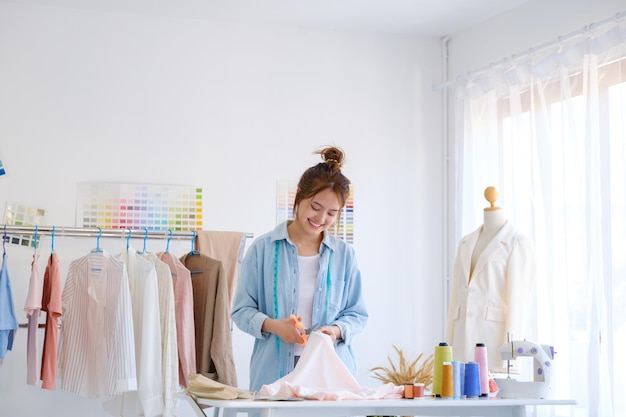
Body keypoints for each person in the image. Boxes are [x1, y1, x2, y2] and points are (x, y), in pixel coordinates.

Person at [231, 146, 368, 392]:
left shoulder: (344, 256)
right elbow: (241, 311)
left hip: (330, 375)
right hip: (273, 374)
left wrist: (335, 331)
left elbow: (357, 314)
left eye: (331, 213)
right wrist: (275, 326)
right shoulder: (262, 249)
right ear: (299, 197)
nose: (321, 218)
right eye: (315, 207)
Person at [445, 186, 536, 372]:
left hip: (493, 347)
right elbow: (456, 297)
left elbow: (518, 305)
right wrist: (448, 348)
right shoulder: (465, 243)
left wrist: (509, 357)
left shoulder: (518, 244)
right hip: (460, 347)